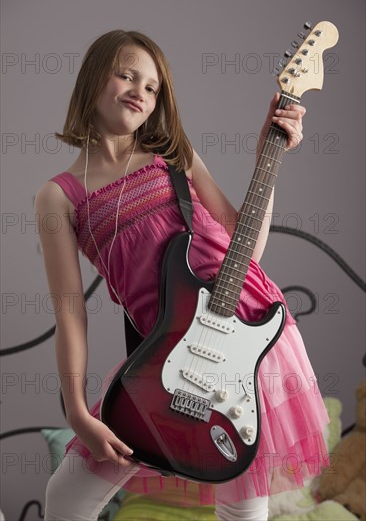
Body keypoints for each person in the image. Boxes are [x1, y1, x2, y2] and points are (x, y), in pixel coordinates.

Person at [35, 29, 330, 521]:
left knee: (243, 507)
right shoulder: (59, 197)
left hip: (248, 335)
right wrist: (77, 412)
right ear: (93, 78)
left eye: (152, 87)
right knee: (66, 499)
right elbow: (70, 315)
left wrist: (266, 159)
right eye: (126, 75)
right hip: (169, 350)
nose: (139, 91)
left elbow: (247, 246)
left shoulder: (173, 156)